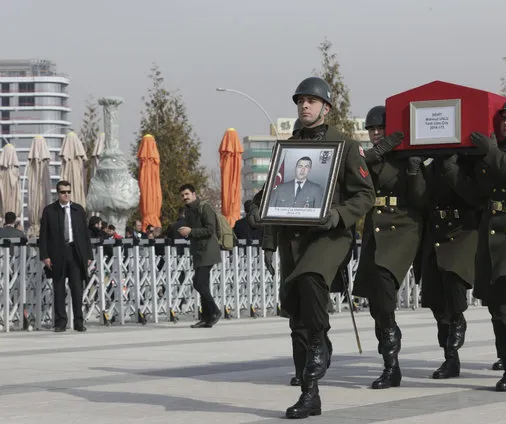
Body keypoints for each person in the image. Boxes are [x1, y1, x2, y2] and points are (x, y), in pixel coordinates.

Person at [246, 76, 375, 419]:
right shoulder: (288, 147)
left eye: (311, 101)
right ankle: (309, 394)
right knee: (297, 317)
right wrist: (256, 210)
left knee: (311, 278)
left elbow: (365, 194)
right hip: (294, 240)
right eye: (300, 100)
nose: (304, 105)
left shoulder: (344, 145)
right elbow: (273, 191)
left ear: (326, 108)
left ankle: (322, 340)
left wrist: (338, 215)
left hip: (329, 236)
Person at [444, 96, 506, 391]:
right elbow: (475, 194)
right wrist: (451, 168)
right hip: (491, 229)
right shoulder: (489, 152)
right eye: (504, 118)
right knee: (495, 304)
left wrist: (490, 152)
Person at [352, 105, 420, 389]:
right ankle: (390, 348)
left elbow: (420, 198)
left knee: (382, 286)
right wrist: (376, 153)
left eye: (381, 129)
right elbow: (354, 172)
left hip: (402, 227)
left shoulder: (403, 158)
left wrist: (416, 170)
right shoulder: (365, 158)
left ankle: (391, 365)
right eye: (372, 130)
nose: (376, 134)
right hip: (374, 229)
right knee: (376, 303)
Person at [407, 152, 479, 380]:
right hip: (436, 232)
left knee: (454, 278)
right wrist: (414, 172)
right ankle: (450, 358)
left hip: (462, 232)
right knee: (436, 299)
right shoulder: (431, 167)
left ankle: (458, 317)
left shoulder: (468, 163)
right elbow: (421, 200)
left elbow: (472, 196)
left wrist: (451, 166)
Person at [39, 180, 93, 332]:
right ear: (58, 193)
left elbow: (84, 234)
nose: (66, 194)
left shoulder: (78, 210)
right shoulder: (49, 211)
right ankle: (60, 322)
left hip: (75, 253)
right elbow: (43, 235)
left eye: (69, 191)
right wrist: (45, 255)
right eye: (63, 192)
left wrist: (89, 255)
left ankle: (78, 321)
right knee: (59, 289)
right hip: (57, 254)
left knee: (77, 289)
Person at [178, 183, 223, 328]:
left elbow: (210, 230)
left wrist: (190, 232)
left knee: (198, 282)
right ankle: (206, 317)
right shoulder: (188, 211)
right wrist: (185, 233)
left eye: (187, 194)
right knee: (203, 284)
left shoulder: (205, 207)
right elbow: (193, 231)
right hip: (197, 251)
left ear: (194, 194)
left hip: (207, 251)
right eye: (182, 195)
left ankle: (214, 311)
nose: (185, 197)